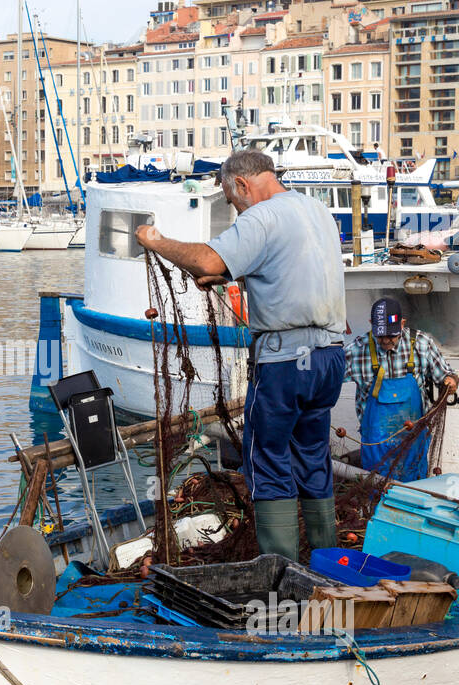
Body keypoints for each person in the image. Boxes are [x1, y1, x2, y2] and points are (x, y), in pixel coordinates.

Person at [135, 150, 346, 563]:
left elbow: (208, 259)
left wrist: (154, 240)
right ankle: (327, 563)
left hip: (285, 362)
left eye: (232, 202)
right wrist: (234, 273)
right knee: (312, 456)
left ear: (242, 185)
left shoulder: (261, 216)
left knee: (266, 457)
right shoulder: (316, 210)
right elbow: (286, 264)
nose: (236, 210)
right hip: (328, 358)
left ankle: (281, 573)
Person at [344, 298, 457, 482]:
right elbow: (327, 380)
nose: (386, 341)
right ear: (371, 325)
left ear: (402, 324)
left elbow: (445, 374)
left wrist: (450, 381)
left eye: (392, 335)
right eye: (380, 336)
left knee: (415, 486)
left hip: (413, 439)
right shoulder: (357, 350)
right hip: (375, 443)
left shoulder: (421, 343)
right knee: (376, 489)